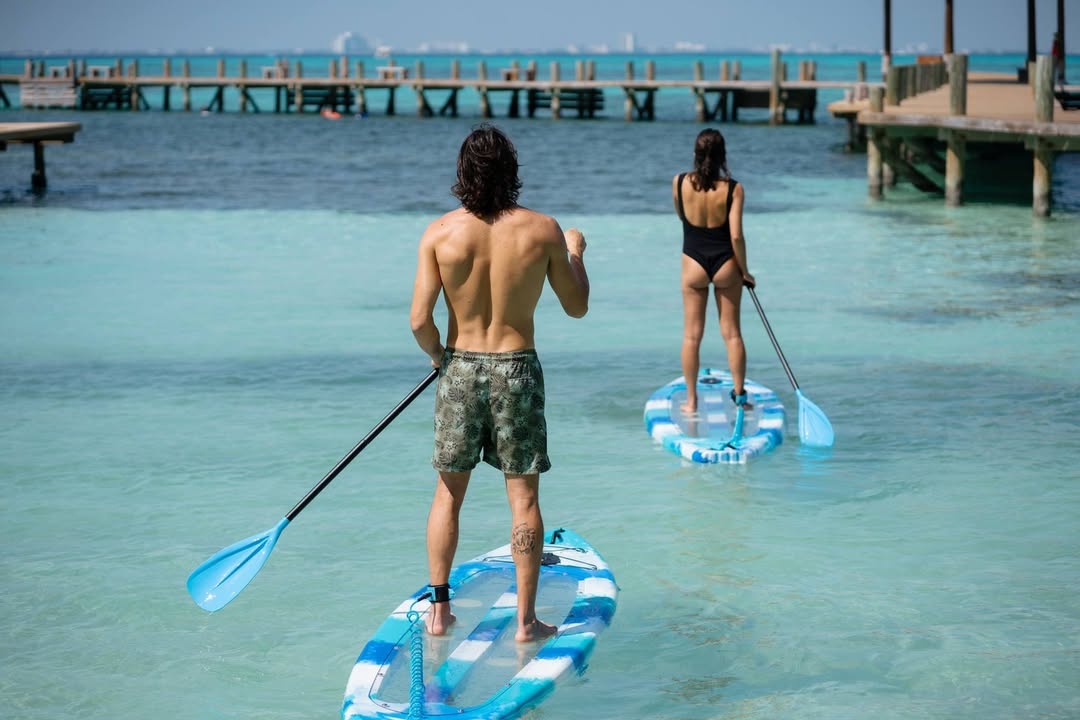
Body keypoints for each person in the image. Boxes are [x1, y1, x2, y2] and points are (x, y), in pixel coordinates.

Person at [409, 124, 590, 643]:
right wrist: (576, 253)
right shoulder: (544, 230)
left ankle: (440, 612)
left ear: (463, 174)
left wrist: (440, 358)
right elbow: (576, 307)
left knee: (448, 493)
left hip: (461, 366)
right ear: (512, 173)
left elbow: (420, 319)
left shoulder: (439, 234)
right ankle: (526, 622)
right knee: (524, 499)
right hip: (516, 368)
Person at [672, 128, 755, 418]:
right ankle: (740, 397)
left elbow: (682, 216)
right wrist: (745, 271)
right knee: (732, 334)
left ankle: (692, 401)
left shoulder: (679, 183)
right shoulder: (734, 189)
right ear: (723, 156)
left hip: (692, 261)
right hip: (725, 264)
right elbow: (736, 237)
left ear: (695, 154)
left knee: (692, 336)